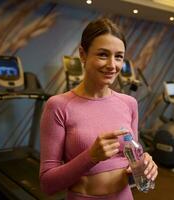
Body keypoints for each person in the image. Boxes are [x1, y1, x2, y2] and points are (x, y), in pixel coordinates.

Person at [39, 18, 158, 200]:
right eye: (103, 54)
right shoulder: (58, 106)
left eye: (118, 56)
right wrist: (91, 156)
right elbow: (47, 184)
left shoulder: (129, 103)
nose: (112, 65)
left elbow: (133, 160)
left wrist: (145, 164)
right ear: (83, 54)